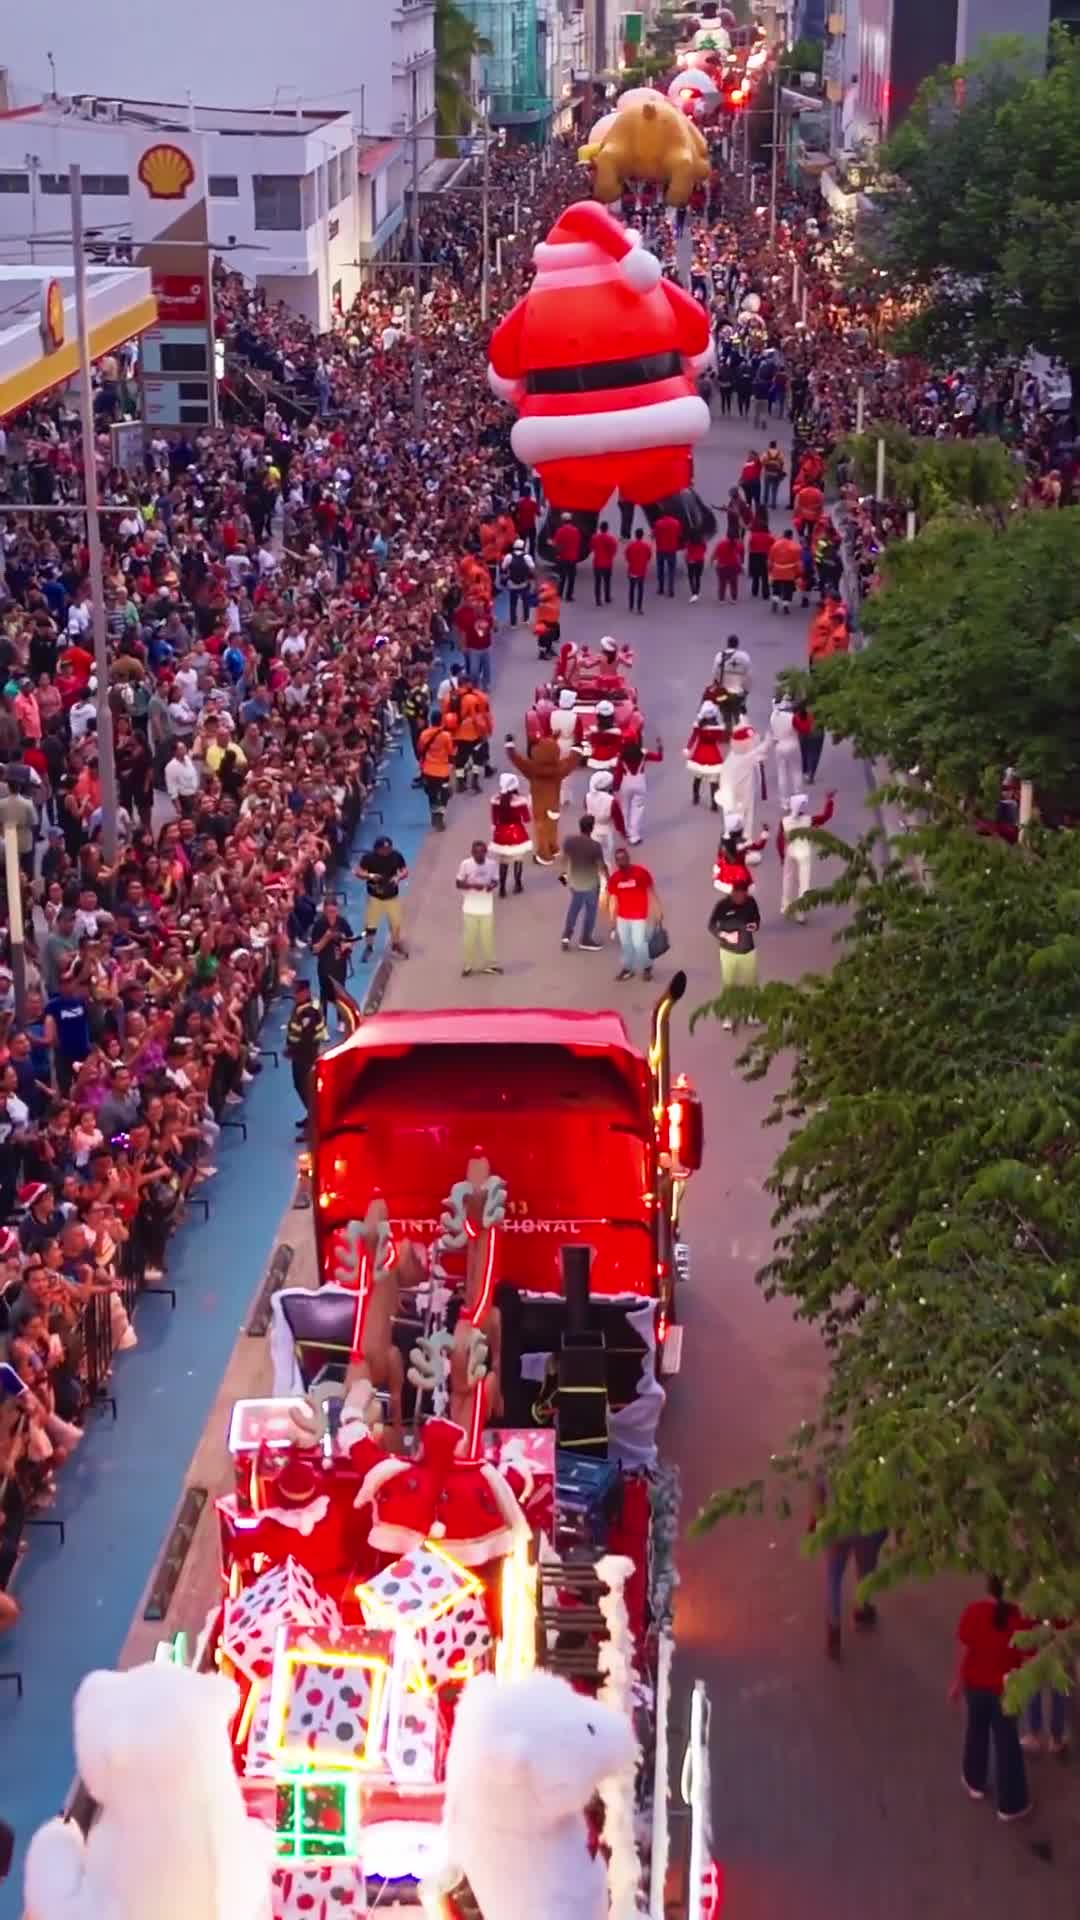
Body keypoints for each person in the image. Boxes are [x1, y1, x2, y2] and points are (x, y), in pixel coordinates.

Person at [950, 1577, 1031, 1821]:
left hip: (975, 1687)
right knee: (1007, 1744)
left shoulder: (974, 1612)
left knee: (976, 1732)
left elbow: (965, 1651)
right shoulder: (1021, 1620)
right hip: (1004, 1690)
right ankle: (1011, 1804)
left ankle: (974, 1781)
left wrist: (958, 1682)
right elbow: (1028, 1656)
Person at [708, 879, 761, 1025]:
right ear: (733, 893)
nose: (740, 898)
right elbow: (711, 925)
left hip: (748, 950)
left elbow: (757, 919)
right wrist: (725, 935)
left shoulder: (751, 902)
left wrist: (754, 926)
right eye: (737, 894)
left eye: (743, 895)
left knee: (751, 984)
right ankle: (728, 1015)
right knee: (729, 985)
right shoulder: (723, 905)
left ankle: (751, 1013)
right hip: (728, 952)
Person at [607, 846, 661, 983]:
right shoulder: (615, 878)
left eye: (623, 858)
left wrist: (658, 911)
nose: (621, 861)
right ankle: (628, 969)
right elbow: (613, 899)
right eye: (618, 859)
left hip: (639, 917)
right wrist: (612, 920)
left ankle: (647, 966)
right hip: (622, 918)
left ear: (628, 858)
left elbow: (651, 892)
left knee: (638, 944)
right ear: (616, 862)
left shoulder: (640, 873)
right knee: (626, 945)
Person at [777, 792, 836, 918]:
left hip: (790, 852)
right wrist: (829, 801)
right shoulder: (809, 820)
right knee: (804, 883)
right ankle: (800, 911)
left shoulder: (784, 821)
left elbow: (779, 840)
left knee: (788, 879)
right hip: (804, 854)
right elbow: (826, 816)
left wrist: (782, 856)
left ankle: (786, 906)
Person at [354, 835, 409, 962]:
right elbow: (358, 872)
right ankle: (369, 946)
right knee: (370, 925)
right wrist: (370, 876)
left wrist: (398, 877)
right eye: (384, 849)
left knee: (396, 923)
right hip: (375, 897)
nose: (387, 850)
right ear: (377, 849)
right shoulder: (368, 858)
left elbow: (405, 870)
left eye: (389, 848)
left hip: (392, 896)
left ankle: (395, 944)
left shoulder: (396, 855)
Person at [285, 977, 328, 1137]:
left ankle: (314, 1123)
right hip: (302, 1054)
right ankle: (312, 1115)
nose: (295, 995)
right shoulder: (305, 1005)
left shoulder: (308, 1012)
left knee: (305, 1087)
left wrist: (292, 1051)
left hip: (305, 1056)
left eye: (297, 992)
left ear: (305, 992)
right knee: (302, 1086)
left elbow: (306, 1038)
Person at [559, 814, 607, 952]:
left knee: (574, 909)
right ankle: (585, 939)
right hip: (590, 885)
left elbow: (563, 860)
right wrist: (609, 880)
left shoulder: (569, 841)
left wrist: (563, 878)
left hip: (574, 883)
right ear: (591, 828)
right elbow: (601, 866)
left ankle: (566, 936)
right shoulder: (595, 846)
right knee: (590, 912)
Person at [456, 838, 502, 977]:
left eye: (482, 852)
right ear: (472, 853)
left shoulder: (492, 864)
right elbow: (458, 883)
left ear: (486, 852)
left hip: (486, 908)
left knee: (487, 938)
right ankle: (468, 966)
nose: (479, 855)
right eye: (476, 852)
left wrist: (491, 886)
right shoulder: (465, 864)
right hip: (470, 907)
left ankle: (490, 965)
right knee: (469, 938)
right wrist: (472, 886)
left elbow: (495, 880)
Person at [310, 899, 356, 1024]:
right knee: (325, 993)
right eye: (329, 911)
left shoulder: (342, 922)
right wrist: (326, 938)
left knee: (340, 993)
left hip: (340, 963)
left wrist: (347, 945)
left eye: (334, 911)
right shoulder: (319, 925)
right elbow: (314, 949)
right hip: (325, 965)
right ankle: (322, 1022)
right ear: (324, 911)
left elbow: (351, 939)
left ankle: (341, 1020)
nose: (332, 914)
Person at [489, 773, 532, 898]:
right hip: (517, 832)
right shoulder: (520, 801)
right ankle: (518, 884)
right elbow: (527, 819)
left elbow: (494, 819)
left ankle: (502, 889)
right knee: (518, 859)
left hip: (501, 833)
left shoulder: (496, 800)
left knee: (504, 861)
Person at [614, 736, 662, 845]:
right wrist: (659, 746)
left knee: (624, 808)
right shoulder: (644, 754)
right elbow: (659, 758)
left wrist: (615, 788)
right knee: (637, 809)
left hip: (626, 783)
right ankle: (634, 835)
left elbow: (618, 773)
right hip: (640, 784)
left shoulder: (622, 756)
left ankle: (626, 831)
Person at [684, 700, 727, 811]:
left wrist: (688, 748)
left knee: (697, 777)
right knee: (714, 780)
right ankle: (714, 803)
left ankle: (696, 797)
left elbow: (693, 737)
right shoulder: (717, 726)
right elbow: (720, 738)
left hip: (700, 753)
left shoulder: (699, 725)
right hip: (713, 754)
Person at [417, 706, 455, 829]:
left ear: (431, 720)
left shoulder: (424, 734)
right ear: (441, 721)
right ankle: (440, 815)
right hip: (443, 772)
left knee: (432, 795)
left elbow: (420, 749)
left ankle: (434, 814)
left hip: (428, 770)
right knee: (445, 794)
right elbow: (450, 752)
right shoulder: (446, 736)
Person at [500, 539, 535, 627]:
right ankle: (526, 619)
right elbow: (532, 567)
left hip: (512, 584)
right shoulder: (527, 557)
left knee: (513, 604)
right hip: (524, 583)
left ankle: (513, 623)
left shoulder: (509, 556)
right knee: (526, 602)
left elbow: (503, 567)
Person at [767, 526, 801, 613]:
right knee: (788, 590)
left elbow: (770, 560)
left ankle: (775, 601)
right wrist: (798, 574)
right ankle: (785, 605)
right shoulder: (796, 547)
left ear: (783, 535)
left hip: (777, 571)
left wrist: (770, 570)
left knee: (776, 588)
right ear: (791, 536)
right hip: (789, 573)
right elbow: (798, 562)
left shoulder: (775, 545)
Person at [553, 514, 582, 601]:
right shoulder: (576, 531)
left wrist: (557, 554)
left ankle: (559, 594)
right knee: (571, 577)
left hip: (563, 557)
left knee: (562, 576)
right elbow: (578, 543)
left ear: (563, 520)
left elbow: (556, 544)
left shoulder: (560, 531)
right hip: (573, 557)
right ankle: (569, 596)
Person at [653, 510, 682, 598]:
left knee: (660, 569)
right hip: (672, 549)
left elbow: (654, 534)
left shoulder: (658, 523)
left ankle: (661, 588)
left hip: (661, 549)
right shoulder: (676, 523)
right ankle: (671, 590)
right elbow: (679, 534)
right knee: (671, 570)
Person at [747, 509, 773, 600]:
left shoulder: (754, 536)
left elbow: (750, 546)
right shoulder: (769, 537)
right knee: (765, 576)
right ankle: (765, 593)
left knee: (756, 575)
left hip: (754, 556)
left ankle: (755, 590)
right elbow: (773, 547)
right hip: (765, 556)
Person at [712, 525, 743, 602]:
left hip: (722, 566)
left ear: (727, 535)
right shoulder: (739, 545)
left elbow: (715, 555)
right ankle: (733, 598)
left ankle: (721, 599)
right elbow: (741, 556)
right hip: (733, 566)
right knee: (734, 583)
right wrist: (741, 565)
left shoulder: (721, 544)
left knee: (722, 583)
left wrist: (712, 562)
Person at [625, 526, 653, 613]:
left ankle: (631, 606)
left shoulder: (631, 546)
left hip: (632, 569)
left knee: (631, 588)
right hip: (641, 570)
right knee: (640, 590)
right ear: (642, 535)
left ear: (635, 535)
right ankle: (639, 608)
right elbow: (649, 556)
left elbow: (627, 556)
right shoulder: (646, 546)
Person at [590, 520, 617, 606]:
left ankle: (598, 600)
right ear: (607, 528)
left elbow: (592, 547)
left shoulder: (595, 538)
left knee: (597, 582)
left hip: (597, 562)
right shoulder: (611, 539)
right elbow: (614, 550)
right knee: (607, 581)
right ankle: (607, 597)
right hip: (607, 563)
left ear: (600, 528)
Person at [762, 440, 786, 508]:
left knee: (766, 488)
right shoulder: (779, 453)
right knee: (774, 489)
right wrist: (782, 472)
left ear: (770, 445)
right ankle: (773, 503)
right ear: (775, 446)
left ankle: (765, 502)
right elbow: (782, 463)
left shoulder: (766, 453)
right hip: (776, 473)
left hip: (768, 473)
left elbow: (762, 461)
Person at [685, 531, 706, 602]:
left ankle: (693, 592)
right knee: (698, 577)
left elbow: (687, 552)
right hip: (700, 561)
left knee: (691, 577)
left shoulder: (689, 543)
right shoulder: (702, 543)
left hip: (691, 561)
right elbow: (704, 550)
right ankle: (697, 592)